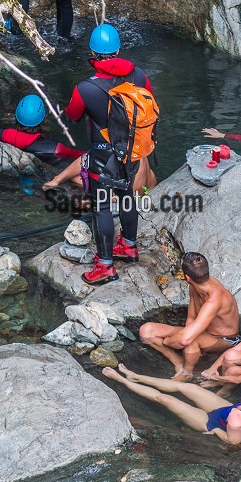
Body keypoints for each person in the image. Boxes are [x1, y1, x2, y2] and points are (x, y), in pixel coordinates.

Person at [65, 22, 155, 286]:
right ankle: (128, 245)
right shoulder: (138, 75)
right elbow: (148, 100)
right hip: (133, 149)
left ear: (92, 53)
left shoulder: (85, 88)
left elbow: (73, 115)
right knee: (128, 196)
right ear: (118, 49)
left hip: (104, 155)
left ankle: (105, 266)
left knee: (101, 206)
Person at [102, 366, 241, 448]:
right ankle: (137, 377)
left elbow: (232, 442)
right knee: (187, 387)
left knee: (165, 399)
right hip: (227, 409)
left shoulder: (237, 420)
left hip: (210, 423)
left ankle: (121, 380)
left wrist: (217, 431)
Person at [139, 252, 240, 379]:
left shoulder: (216, 298)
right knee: (146, 331)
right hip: (202, 333)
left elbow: (185, 339)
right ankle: (177, 360)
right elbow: (191, 319)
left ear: (187, 277)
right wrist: (182, 340)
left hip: (225, 340)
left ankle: (187, 372)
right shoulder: (195, 284)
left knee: (190, 339)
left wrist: (167, 342)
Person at [0, 95, 85, 166]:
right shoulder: (54, 148)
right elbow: (81, 155)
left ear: (16, 116)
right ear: (42, 119)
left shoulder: (1, 134)